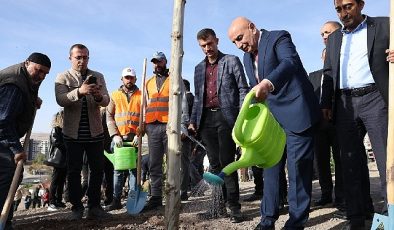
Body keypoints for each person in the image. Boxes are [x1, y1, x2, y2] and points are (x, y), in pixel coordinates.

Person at [228, 17, 321, 229]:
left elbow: (290, 63)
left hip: (297, 113)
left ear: (252, 27)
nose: (239, 45)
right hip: (272, 122)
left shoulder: (278, 37)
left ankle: (295, 223)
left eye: (240, 38)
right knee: (270, 170)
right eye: (234, 42)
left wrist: (267, 83)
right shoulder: (246, 58)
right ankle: (266, 221)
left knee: (297, 171)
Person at [321, 0, 391, 228]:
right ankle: (357, 217)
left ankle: (389, 215)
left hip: (376, 99)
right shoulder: (334, 39)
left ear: (361, 4)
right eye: (339, 9)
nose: (343, 13)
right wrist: (326, 103)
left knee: (385, 161)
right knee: (350, 164)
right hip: (344, 104)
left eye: (348, 6)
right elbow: (329, 72)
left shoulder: (385, 25)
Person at [188, 28, 249, 223]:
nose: (207, 48)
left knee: (227, 163)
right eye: (203, 46)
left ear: (217, 41)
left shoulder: (231, 61)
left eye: (210, 44)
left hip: (227, 117)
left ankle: (234, 208)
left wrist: (242, 117)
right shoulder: (198, 68)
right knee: (214, 166)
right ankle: (218, 207)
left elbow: (242, 89)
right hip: (206, 121)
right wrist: (193, 121)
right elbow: (198, 98)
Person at [55, 43, 110, 220]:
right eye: (78, 57)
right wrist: (80, 91)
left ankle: (94, 206)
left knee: (97, 170)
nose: (82, 60)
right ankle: (76, 207)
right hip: (72, 133)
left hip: (95, 132)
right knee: (73, 171)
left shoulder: (98, 76)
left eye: (85, 57)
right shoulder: (62, 77)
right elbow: (61, 99)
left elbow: (107, 100)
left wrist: (98, 96)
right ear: (70, 58)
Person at [0, 52, 50, 228]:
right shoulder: (14, 84)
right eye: (38, 70)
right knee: (7, 175)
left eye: (45, 73)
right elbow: (3, 122)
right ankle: (3, 222)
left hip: (5, 135)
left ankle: (6, 220)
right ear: (27, 63)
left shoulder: (26, 78)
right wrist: (16, 149)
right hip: (3, 136)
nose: (42, 76)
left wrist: (31, 99)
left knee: (14, 173)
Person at [142, 51, 189, 210]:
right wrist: (143, 123)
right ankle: (155, 197)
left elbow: (183, 103)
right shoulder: (147, 82)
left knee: (173, 163)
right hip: (152, 126)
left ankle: (173, 195)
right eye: (155, 62)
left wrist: (183, 125)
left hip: (170, 126)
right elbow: (144, 104)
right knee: (154, 163)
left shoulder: (175, 79)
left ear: (165, 62)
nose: (157, 65)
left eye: (160, 61)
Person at [308, 21, 344, 208]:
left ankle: (341, 196)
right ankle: (325, 193)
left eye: (327, 32)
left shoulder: (343, 72)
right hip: (319, 126)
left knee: (340, 160)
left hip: (338, 122)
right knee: (321, 162)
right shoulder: (312, 76)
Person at [105, 67, 141, 211]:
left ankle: (133, 200)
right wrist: (114, 135)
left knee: (134, 170)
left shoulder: (141, 95)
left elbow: (144, 117)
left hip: (134, 138)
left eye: (131, 77)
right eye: (126, 77)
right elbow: (109, 116)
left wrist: (140, 134)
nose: (129, 80)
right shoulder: (114, 95)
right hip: (119, 139)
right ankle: (116, 200)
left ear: (135, 79)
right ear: (122, 79)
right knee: (118, 171)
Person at [47, 109, 68, 211]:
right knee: (55, 181)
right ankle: (51, 202)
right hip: (58, 159)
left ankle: (58, 200)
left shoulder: (63, 130)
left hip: (64, 159)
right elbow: (56, 142)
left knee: (61, 181)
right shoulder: (56, 129)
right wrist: (68, 147)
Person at [100, 107, 114, 207]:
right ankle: (108, 199)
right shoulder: (108, 113)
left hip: (101, 148)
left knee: (98, 175)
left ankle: (105, 199)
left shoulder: (101, 114)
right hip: (108, 149)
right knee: (109, 175)